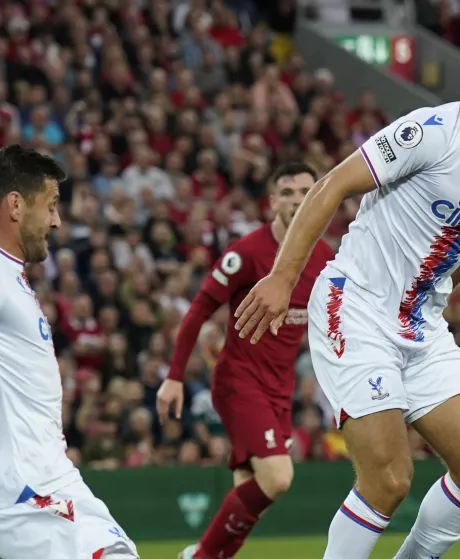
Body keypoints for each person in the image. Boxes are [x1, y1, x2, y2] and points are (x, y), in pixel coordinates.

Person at [234, 15, 460, 559]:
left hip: (420, 325)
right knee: (388, 479)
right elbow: (333, 185)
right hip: (357, 305)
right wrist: (282, 275)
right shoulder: (432, 131)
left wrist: (442, 292)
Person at [0, 145, 138, 559]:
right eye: (50, 206)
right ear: (15, 205)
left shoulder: (3, 269)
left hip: (51, 477)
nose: (56, 220)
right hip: (21, 490)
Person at [156, 162, 334, 559]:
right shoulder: (247, 254)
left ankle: (205, 555)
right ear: (272, 202)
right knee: (278, 477)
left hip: (280, 390)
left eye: (305, 192)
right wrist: (174, 377)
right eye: (286, 193)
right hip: (240, 381)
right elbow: (198, 311)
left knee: (249, 492)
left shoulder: (325, 259)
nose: (296, 200)